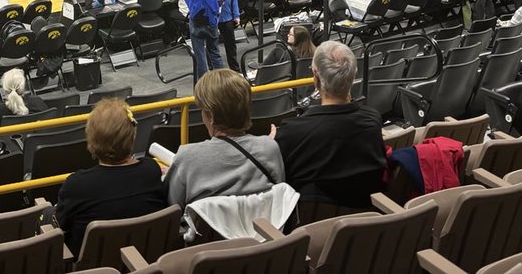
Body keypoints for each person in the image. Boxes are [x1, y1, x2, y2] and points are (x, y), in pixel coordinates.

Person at [274, 41, 386, 211]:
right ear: (354, 74)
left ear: (315, 76)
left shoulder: (290, 132)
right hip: (368, 222)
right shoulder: (372, 120)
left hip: (310, 228)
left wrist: (270, 146)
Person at [56, 99, 167, 256]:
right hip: (148, 260)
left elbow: (62, 226)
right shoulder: (151, 170)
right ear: (132, 138)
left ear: (91, 140)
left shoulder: (77, 185)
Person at [165, 69, 284, 211]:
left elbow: (172, 207)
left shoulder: (187, 158)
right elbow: (279, 193)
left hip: (209, 233)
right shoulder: (269, 148)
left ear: (210, 116)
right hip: (263, 231)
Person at [185, 0, 223, 80]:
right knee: (215, 54)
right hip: (212, 23)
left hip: (197, 22)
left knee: (200, 55)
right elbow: (221, 3)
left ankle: (203, 83)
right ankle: (221, 81)